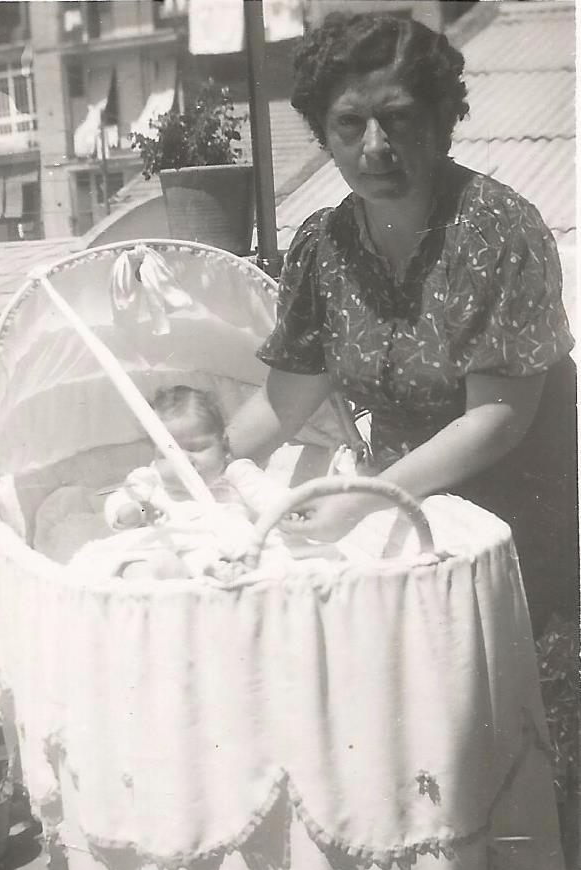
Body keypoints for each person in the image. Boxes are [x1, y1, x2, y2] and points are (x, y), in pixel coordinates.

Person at [226, 12, 577, 637]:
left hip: (508, 543)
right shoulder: (324, 248)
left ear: (442, 122)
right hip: (396, 530)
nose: (376, 147)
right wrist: (205, 456)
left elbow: (495, 423)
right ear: (324, 133)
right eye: (350, 124)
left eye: (400, 117)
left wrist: (362, 501)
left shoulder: (500, 232)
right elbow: (282, 405)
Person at [104, 385, 289, 578]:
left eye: (197, 448)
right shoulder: (150, 478)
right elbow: (125, 498)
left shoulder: (235, 472)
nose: (183, 460)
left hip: (220, 545)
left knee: (253, 552)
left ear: (223, 445)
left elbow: (267, 493)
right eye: (168, 452)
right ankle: (156, 586)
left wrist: (288, 508)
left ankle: (218, 572)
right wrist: (137, 511)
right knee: (135, 563)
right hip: (167, 543)